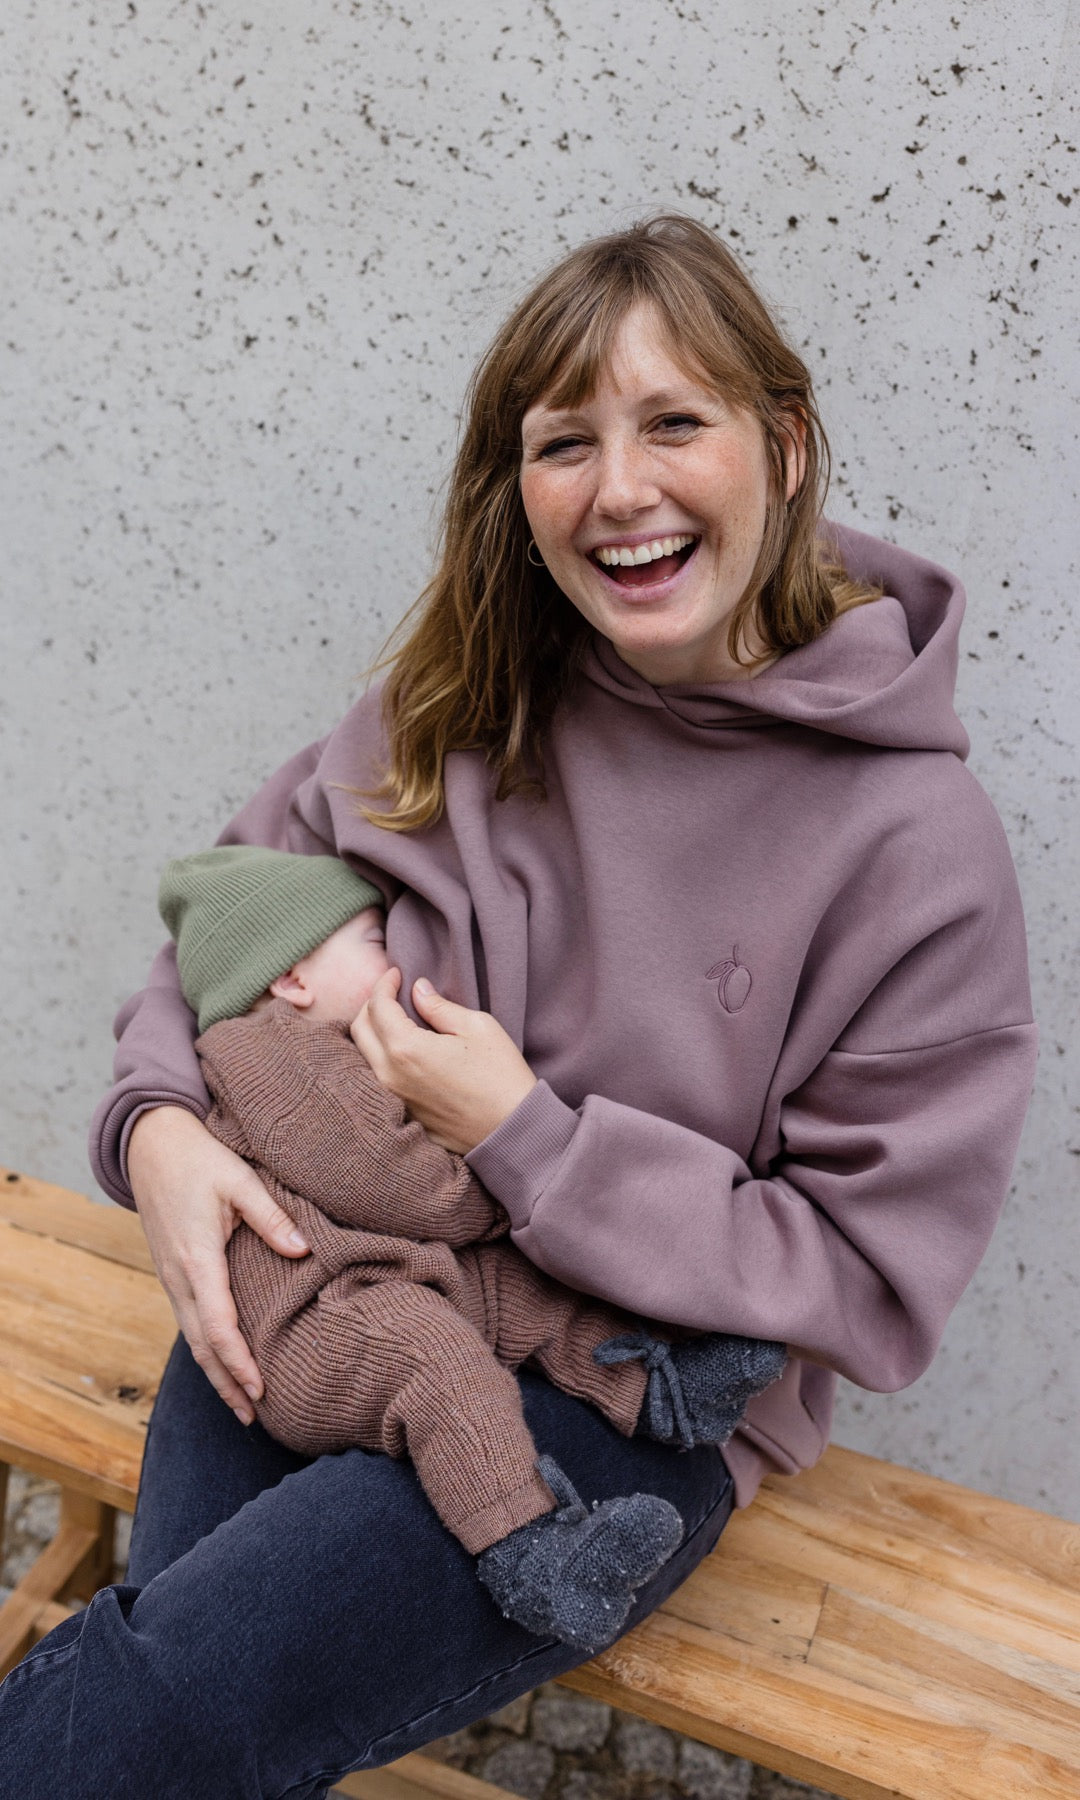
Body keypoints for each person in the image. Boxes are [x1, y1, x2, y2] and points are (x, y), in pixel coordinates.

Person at [0, 214, 1036, 1797]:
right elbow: (235, 915)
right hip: (329, 1280)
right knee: (179, 1710)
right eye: (566, 442)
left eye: (672, 423)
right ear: (520, 485)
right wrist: (157, 1133)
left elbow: (867, 1278)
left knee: (170, 1712)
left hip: (623, 1395)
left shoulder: (916, 851)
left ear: (783, 444)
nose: (619, 489)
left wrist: (533, 1143)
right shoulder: (462, 699)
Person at [156, 841, 787, 1649]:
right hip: (317, 1324)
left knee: (521, 1299)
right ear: (291, 980)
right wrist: (500, 1191)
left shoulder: (311, 1049)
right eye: (376, 942)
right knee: (441, 1367)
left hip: (387, 1278)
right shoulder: (271, 1053)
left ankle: (658, 1389)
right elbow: (385, 1178)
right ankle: (529, 1548)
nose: (397, 962)